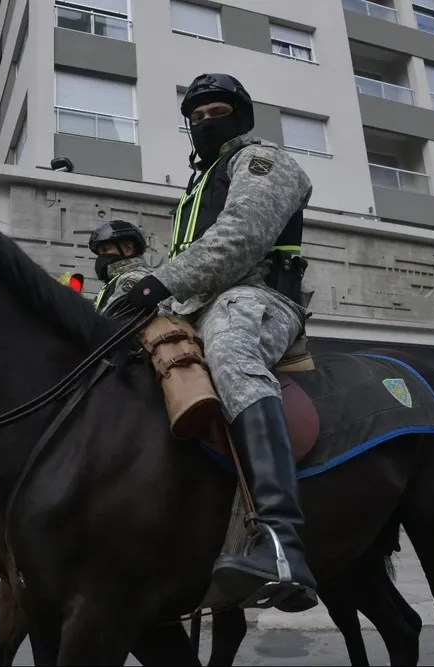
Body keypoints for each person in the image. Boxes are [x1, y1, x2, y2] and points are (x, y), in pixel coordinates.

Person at [121, 73, 317, 613]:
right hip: (196, 305)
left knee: (231, 349)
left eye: (218, 111)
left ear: (240, 116)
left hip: (255, 298)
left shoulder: (263, 162)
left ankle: (281, 542)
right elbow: (182, 263)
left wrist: (160, 282)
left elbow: (243, 238)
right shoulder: (193, 191)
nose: (207, 121)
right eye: (198, 115)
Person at [88, 220, 151, 315]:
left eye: (105, 249)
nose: (101, 256)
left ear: (128, 249)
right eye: (99, 253)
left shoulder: (134, 279)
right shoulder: (116, 281)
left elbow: (107, 322)